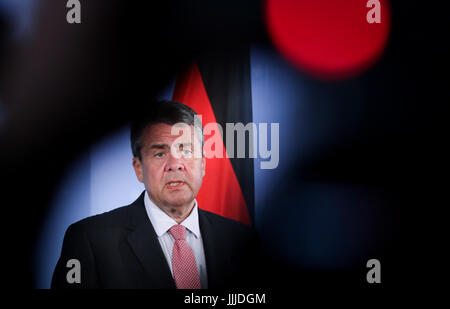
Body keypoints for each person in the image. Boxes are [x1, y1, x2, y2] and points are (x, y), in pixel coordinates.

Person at [51, 100, 261, 289]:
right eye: (160, 153)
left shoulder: (243, 241)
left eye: (186, 151)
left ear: (203, 164)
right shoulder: (90, 240)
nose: (175, 165)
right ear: (138, 168)